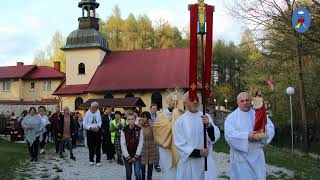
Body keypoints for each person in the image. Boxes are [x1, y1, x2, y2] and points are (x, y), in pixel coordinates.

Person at [224, 92, 275, 180]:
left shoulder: (258, 114)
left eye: (247, 100)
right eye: (242, 101)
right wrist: (247, 136)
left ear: (250, 101)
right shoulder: (232, 117)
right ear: (238, 102)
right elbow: (229, 135)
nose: (245, 102)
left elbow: (270, 127)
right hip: (240, 158)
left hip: (257, 156)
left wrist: (262, 134)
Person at [174, 92, 220, 180]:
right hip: (189, 164)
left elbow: (214, 138)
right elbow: (180, 145)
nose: (195, 102)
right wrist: (199, 152)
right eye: (192, 99)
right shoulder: (180, 121)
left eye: (197, 99)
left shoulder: (206, 117)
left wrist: (209, 126)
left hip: (205, 162)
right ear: (185, 103)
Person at [153, 89, 183, 180]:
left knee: (178, 169)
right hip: (165, 148)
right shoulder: (161, 115)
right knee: (168, 169)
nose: (173, 103)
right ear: (168, 101)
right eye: (171, 101)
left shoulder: (181, 114)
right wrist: (171, 126)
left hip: (178, 146)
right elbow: (157, 129)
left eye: (175, 101)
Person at [120, 113, 144, 180]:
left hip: (137, 154)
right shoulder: (124, 130)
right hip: (127, 155)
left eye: (132, 119)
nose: (131, 121)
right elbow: (123, 144)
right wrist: (127, 157)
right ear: (127, 120)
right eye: (129, 119)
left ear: (135, 119)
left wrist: (136, 156)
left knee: (137, 173)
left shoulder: (139, 130)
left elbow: (140, 143)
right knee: (128, 173)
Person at [140, 111, 159, 180]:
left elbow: (156, 133)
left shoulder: (152, 124)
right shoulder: (139, 125)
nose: (143, 118)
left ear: (148, 118)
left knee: (150, 166)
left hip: (151, 148)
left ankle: (149, 178)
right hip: (142, 148)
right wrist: (140, 125)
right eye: (142, 117)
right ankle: (143, 177)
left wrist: (152, 125)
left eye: (145, 117)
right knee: (142, 166)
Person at [83, 102, 102, 166]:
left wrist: (98, 127)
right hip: (90, 131)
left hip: (97, 130)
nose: (97, 109)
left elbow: (100, 121)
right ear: (92, 107)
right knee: (91, 146)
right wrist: (90, 128)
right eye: (96, 107)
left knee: (98, 146)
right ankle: (91, 160)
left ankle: (98, 160)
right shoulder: (87, 113)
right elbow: (85, 123)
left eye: (97, 107)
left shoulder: (98, 112)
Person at [149, 104, 161, 172]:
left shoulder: (157, 116)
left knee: (157, 151)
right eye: (153, 108)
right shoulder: (148, 116)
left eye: (155, 108)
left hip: (156, 136)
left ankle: (156, 165)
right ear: (150, 109)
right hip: (150, 136)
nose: (154, 110)